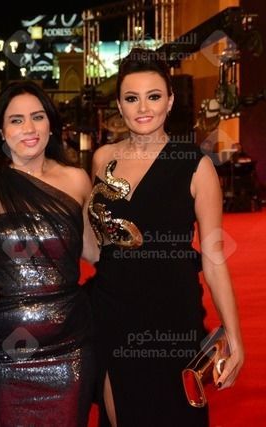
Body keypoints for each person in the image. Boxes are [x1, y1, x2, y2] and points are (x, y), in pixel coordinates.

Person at [88, 49, 244, 426]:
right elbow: (96, 243)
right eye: (132, 98)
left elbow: (214, 259)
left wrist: (234, 336)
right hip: (111, 310)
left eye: (154, 96)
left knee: (174, 414)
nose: (143, 108)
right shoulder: (102, 159)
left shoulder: (196, 166)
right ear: (119, 106)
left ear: (170, 101)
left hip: (171, 313)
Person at [0, 81, 98, 426]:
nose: (29, 128)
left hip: (69, 346)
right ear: (1, 131)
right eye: (16, 120)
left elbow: (93, 251)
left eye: (37, 117)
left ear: (51, 124)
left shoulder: (77, 180)